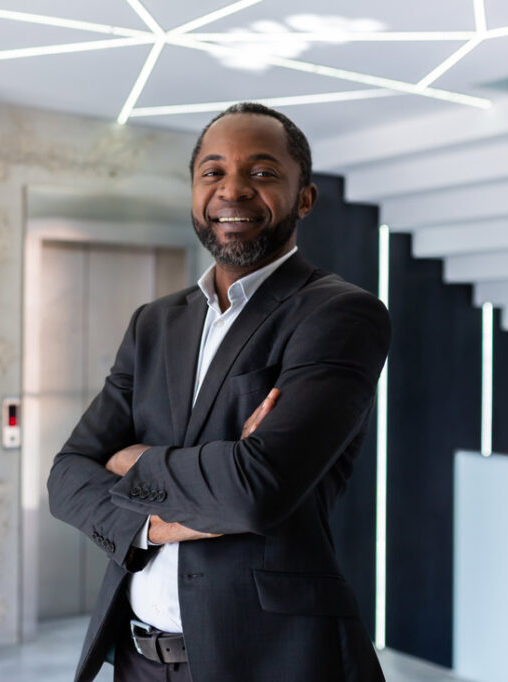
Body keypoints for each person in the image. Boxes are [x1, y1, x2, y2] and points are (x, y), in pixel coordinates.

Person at [47, 102, 390, 682]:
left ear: (304, 197)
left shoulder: (339, 314)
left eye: (262, 173)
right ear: (193, 192)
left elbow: (257, 490)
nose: (233, 191)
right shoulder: (154, 323)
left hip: (268, 660)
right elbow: (66, 477)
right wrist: (167, 519)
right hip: (137, 660)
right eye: (213, 172)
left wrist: (132, 462)